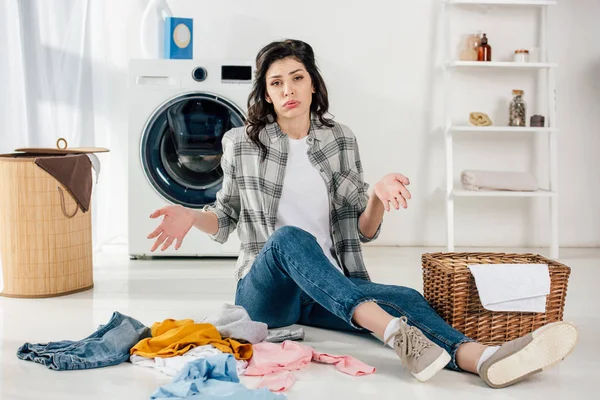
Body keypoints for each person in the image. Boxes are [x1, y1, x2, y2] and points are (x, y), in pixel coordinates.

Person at [147, 39, 578, 388]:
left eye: (297, 78)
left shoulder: (339, 139)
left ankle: (479, 358)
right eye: (276, 83)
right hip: (266, 297)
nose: (288, 90)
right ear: (266, 93)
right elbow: (224, 217)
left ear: (313, 84)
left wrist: (375, 194)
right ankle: (392, 333)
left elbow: (364, 229)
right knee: (290, 239)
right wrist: (191, 216)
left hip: (328, 288)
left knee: (408, 298)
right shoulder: (242, 142)